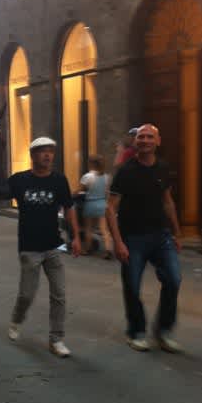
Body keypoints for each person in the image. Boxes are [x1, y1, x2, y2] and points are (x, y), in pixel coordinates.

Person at [0, 137, 81, 357]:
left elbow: (69, 207)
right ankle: (17, 320)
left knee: (59, 295)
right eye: (42, 151)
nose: (47, 155)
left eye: (50, 151)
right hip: (29, 247)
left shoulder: (58, 181)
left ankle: (57, 339)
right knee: (27, 294)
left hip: (53, 246)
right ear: (33, 155)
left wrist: (75, 236)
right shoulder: (20, 180)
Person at [106, 123, 182, 353]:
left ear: (158, 141)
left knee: (173, 279)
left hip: (161, 236)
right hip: (132, 238)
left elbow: (167, 201)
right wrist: (118, 242)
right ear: (135, 141)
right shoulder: (126, 171)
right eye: (141, 137)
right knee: (132, 286)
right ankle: (136, 332)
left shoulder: (163, 168)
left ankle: (164, 331)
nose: (145, 140)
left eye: (150, 137)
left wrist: (177, 233)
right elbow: (110, 208)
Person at [79, 154, 113, 258]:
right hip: (102, 203)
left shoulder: (88, 176)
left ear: (91, 164)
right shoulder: (107, 177)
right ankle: (108, 249)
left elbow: (82, 189)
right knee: (104, 229)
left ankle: (87, 249)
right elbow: (107, 192)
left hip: (90, 204)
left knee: (89, 228)